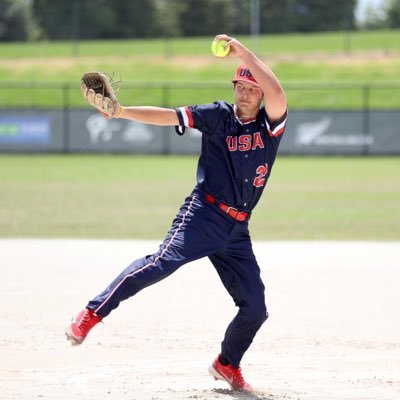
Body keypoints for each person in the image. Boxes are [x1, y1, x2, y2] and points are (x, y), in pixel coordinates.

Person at [66, 34, 288, 392]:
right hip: (204, 214)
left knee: (256, 308)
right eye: (240, 86)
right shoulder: (218, 116)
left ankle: (227, 364)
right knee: (161, 264)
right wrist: (121, 111)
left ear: (261, 94)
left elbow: (278, 90)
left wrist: (242, 51)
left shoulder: (270, 125)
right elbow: (169, 116)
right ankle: (92, 313)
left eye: (252, 88)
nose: (245, 93)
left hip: (237, 231)